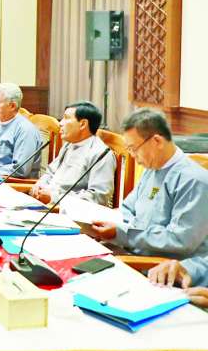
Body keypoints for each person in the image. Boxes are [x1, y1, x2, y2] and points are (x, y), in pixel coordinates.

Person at [87, 108, 208, 259]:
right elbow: (127, 209)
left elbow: (179, 240)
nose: (133, 156)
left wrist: (122, 233)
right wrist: (108, 225)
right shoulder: (152, 168)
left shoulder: (194, 180)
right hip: (130, 250)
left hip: (157, 265)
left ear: (157, 141)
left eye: (134, 149)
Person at [30, 101, 115, 206]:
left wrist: (53, 198)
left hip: (67, 211)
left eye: (66, 118)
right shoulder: (69, 144)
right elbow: (50, 173)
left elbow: (98, 197)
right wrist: (39, 185)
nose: (60, 123)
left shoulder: (101, 154)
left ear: (83, 124)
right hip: (47, 204)